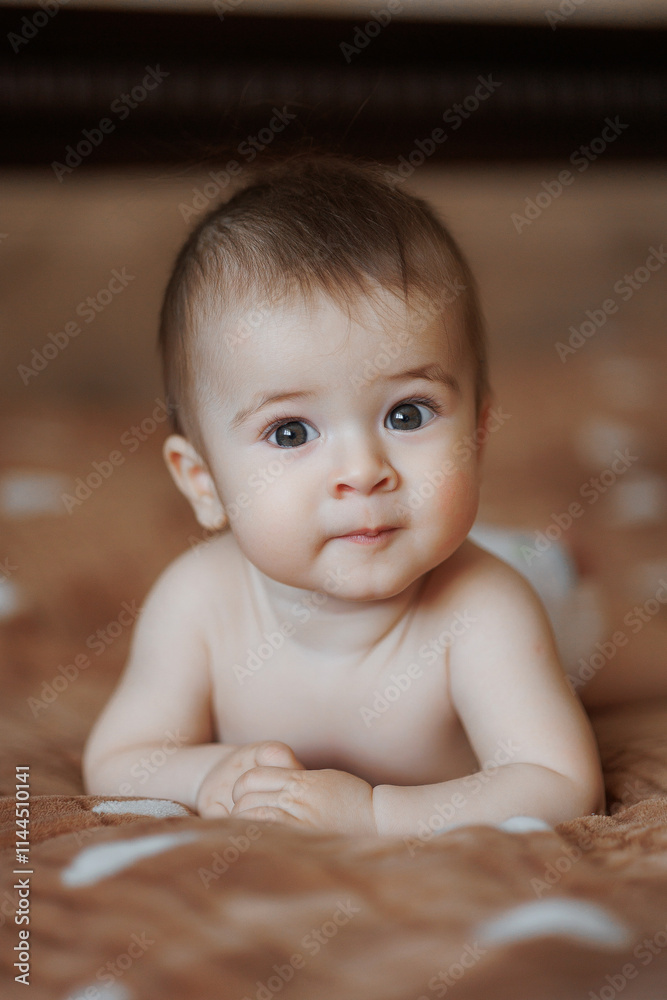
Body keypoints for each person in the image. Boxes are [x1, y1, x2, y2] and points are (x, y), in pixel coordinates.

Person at [82, 151, 608, 838]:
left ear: (478, 434)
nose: (362, 472)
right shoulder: (196, 603)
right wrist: (206, 773)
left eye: (406, 414)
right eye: (291, 430)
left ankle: (554, 564)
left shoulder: (484, 609)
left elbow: (561, 785)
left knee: (606, 653)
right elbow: (118, 759)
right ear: (202, 484)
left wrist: (379, 812)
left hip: (542, 598)